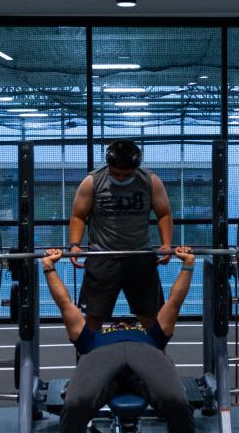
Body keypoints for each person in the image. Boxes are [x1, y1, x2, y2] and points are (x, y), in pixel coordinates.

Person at [37, 246, 209, 433]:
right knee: (76, 402)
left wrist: (188, 265)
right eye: (116, 321)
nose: (120, 320)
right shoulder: (92, 338)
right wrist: (48, 267)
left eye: (124, 320)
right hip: (101, 358)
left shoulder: (151, 334)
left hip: (146, 354)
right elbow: (65, 303)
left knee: (176, 399)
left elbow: (175, 302)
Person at [68, 139, 173, 331]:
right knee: (93, 318)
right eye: (116, 173)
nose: (121, 178)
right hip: (102, 257)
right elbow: (78, 216)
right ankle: (89, 360)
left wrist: (166, 244)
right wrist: (74, 245)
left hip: (140, 256)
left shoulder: (150, 181)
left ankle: (157, 358)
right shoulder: (93, 181)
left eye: (126, 174)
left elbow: (164, 213)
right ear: (108, 165)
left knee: (151, 318)